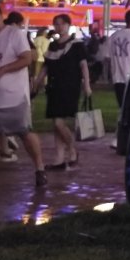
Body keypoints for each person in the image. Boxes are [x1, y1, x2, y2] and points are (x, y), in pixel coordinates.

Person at [0, 2, 48, 188]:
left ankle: (39, 168)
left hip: (15, 96)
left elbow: (26, 58)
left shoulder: (14, 34)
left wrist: (3, 70)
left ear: (1, 16)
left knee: (25, 132)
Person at [37, 13, 90, 170]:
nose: (59, 27)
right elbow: (46, 67)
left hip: (70, 87)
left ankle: (72, 149)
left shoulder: (76, 45)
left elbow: (84, 66)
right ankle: (59, 158)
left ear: (68, 25)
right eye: (57, 24)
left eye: (62, 24)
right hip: (54, 87)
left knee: (58, 122)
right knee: (56, 123)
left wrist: (87, 85)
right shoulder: (53, 46)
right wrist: (37, 82)